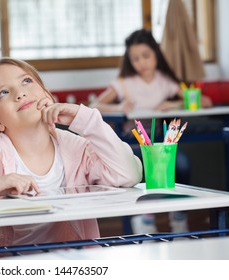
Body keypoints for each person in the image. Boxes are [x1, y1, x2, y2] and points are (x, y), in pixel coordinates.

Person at [0, 57, 143, 259]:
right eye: (4, 93)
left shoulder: (77, 148)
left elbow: (128, 174)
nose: (20, 93)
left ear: (46, 94)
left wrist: (87, 121)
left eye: (27, 81)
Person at [90, 29, 213, 234]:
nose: (142, 62)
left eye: (146, 56)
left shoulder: (164, 81)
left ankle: (178, 218)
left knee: (180, 164)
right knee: (146, 168)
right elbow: (95, 105)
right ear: (130, 61)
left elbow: (204, 102)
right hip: (133, 143)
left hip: (161, 143)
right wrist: (118, 108)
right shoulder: (124, 84)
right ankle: (145, 217)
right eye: (136, 58)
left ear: (156, 54)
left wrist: (172, 104)